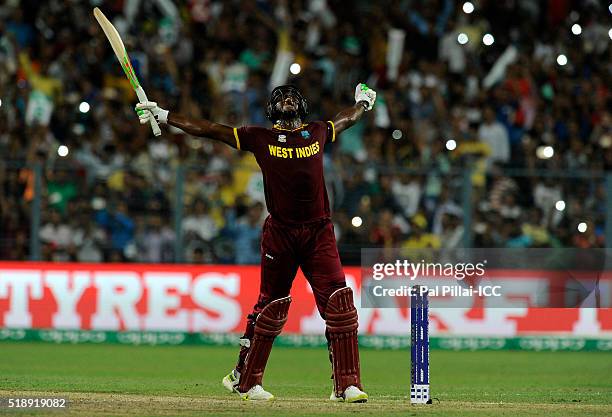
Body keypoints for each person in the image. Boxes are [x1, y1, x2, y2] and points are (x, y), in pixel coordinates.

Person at [135, 83, 377, 402]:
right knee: (271, 307)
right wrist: (166, 115)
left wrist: (362, 103)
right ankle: (245, 381)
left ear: (302, 104)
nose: (287, 99)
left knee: (340, 304)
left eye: (292, 95)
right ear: (271, 109)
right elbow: (211, 129)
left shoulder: (317, 131)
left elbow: (346, 119)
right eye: (279, 97)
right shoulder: (259, 137)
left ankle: (346, 385)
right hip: (281, 233)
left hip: (319, 232)